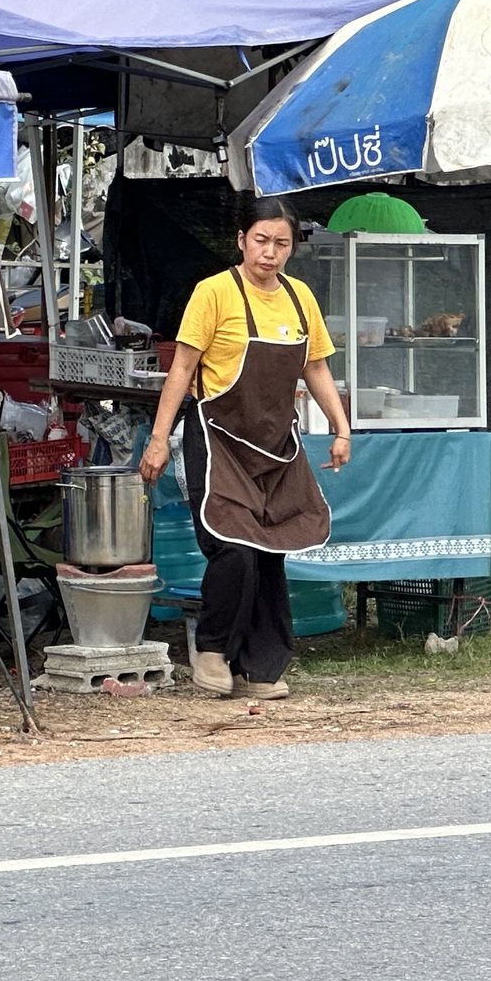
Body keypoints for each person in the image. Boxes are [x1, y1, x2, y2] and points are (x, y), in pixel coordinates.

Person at [139, 198, 351, 700]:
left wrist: (341, 428)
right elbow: (183, 368)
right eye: (261, 240)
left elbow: (316, 367)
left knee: (271, 552)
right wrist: (158, 439)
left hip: (274, 446)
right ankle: (212, 649)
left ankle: (260, 669)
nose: (270, 252)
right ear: (241, 240)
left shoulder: (300, 298)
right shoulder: (214, 293)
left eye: (281, 243)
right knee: (232, 547)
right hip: (217, 438)